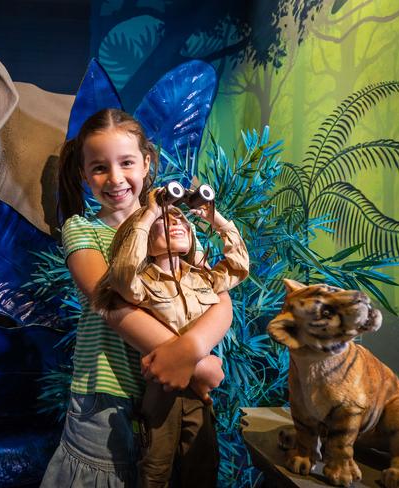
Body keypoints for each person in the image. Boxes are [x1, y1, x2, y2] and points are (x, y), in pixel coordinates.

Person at [40, 108, 233, 487]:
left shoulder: (174, 221)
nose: (115, 178)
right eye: (99, 167)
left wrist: (193, 347)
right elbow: (111, 304)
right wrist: (194, 363)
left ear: (146, 163)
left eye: (126, 162)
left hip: (173, 391)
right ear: (83, 173)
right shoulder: (83, 230)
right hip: (108, 395)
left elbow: (217, 293)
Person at [93, 190, 250, 487]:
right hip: (162, 387)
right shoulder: (141, 282)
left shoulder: (203, 279)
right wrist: (149, 213)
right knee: (155, 467)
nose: (176, 223)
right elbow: (123, 274)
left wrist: (215, 219)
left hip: (199, 392)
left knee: (203, 463)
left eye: (181, 220)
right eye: (164, 222)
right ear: (145, 240)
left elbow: (239, 267)